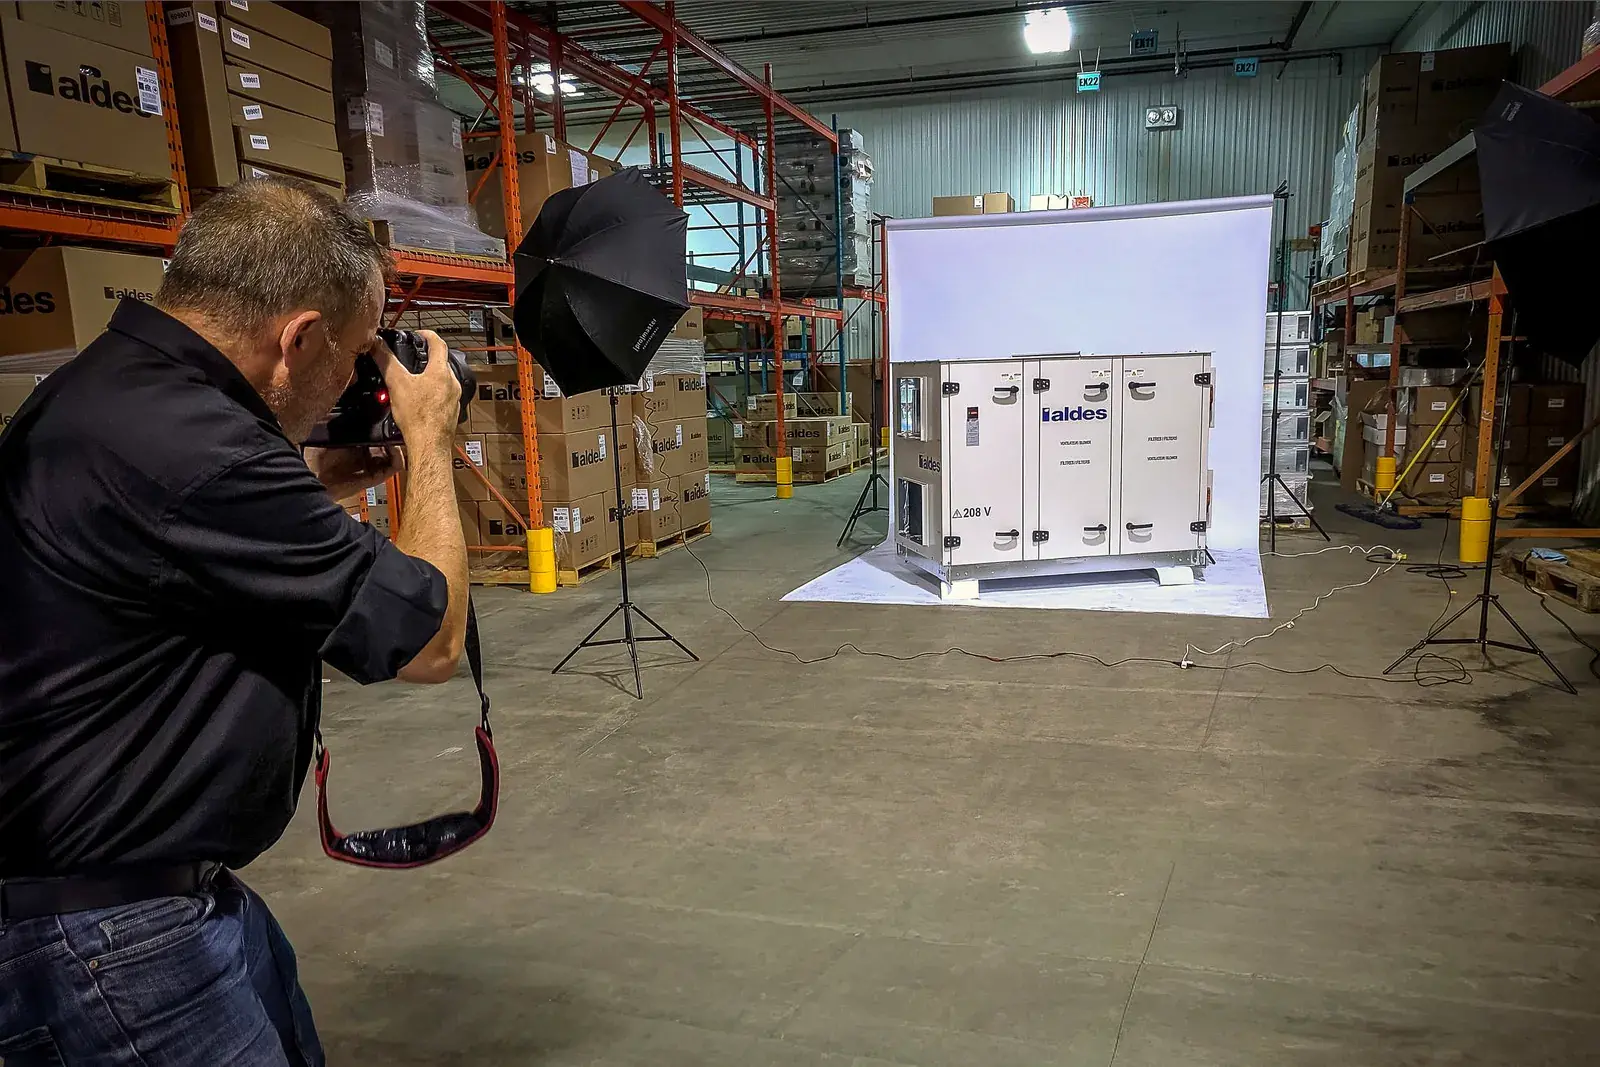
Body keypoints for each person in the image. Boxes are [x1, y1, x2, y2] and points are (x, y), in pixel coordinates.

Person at [0, 177, 470, 1065]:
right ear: (297, 338)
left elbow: (180, 539)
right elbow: (428, 638)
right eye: (358, 353)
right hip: (111, 934)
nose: (361, 376)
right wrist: (430, 442)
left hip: (146, 894)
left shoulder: (113, 392)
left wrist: (326, 478)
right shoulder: (199, 448)